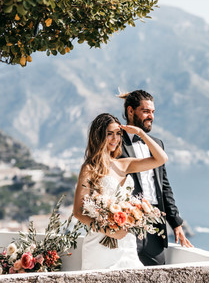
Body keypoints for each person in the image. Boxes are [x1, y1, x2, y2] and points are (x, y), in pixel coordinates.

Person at [73, 113, 168, 270]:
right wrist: (109, 231)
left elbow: (161, 158)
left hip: (126, 243)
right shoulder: (89, 168)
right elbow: (78, 212)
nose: (115, 139)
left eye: (118, 134)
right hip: (100, 244)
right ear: (98, 136)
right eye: (109, 134)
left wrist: (140, 133)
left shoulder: (124, 164)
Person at [117, 90, 193, 266]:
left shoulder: (157, 144)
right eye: (145, 111)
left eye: (152, 112)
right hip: (127, 224)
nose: (150, 116)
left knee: (158, 273)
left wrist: (176, 223)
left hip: (155, 225)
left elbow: (164, 186)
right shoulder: (115, 143)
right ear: (130, 111)